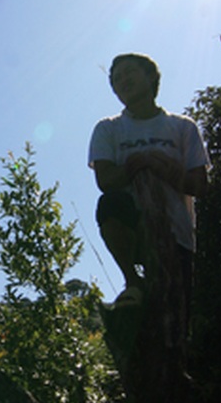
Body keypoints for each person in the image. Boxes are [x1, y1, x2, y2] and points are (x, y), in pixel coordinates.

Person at [88, 53, 209, 310]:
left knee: (176, 316)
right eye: (116, 79)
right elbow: (105, 181)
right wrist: (136, 165)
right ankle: (132, 281)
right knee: (109, 204)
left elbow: (200, 185)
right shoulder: (108, 128)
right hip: (132, 225)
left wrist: (162, 167)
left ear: (151, 76)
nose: (122, 81)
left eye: (129, 72)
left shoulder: (182, 127)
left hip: (177, 234)